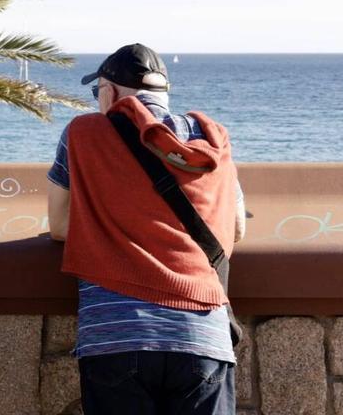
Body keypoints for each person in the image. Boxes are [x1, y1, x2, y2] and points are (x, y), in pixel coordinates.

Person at [48, 44, 245, 415]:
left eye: (97, 92)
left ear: (109, 92)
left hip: (116, 335)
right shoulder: (213, 140)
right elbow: (235, 229)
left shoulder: (84, 132)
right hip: (203, 335)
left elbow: (59, 225)